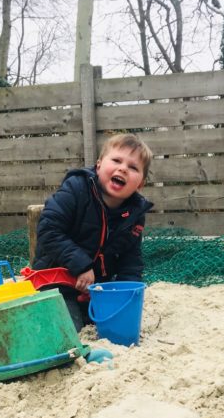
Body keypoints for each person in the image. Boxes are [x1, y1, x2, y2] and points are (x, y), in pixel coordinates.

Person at [32, 133, 154, 331]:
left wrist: (125, 294)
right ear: (98, 165)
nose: (123, 168)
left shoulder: (134, 213)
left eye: (133, 167)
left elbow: (130, 260)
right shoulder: (76, 189)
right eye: (116, 160)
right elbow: (48, 229)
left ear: (140, 183)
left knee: (115, 321)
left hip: (96, 288)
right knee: (67, 327)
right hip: (56, 281)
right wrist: (81, 265)